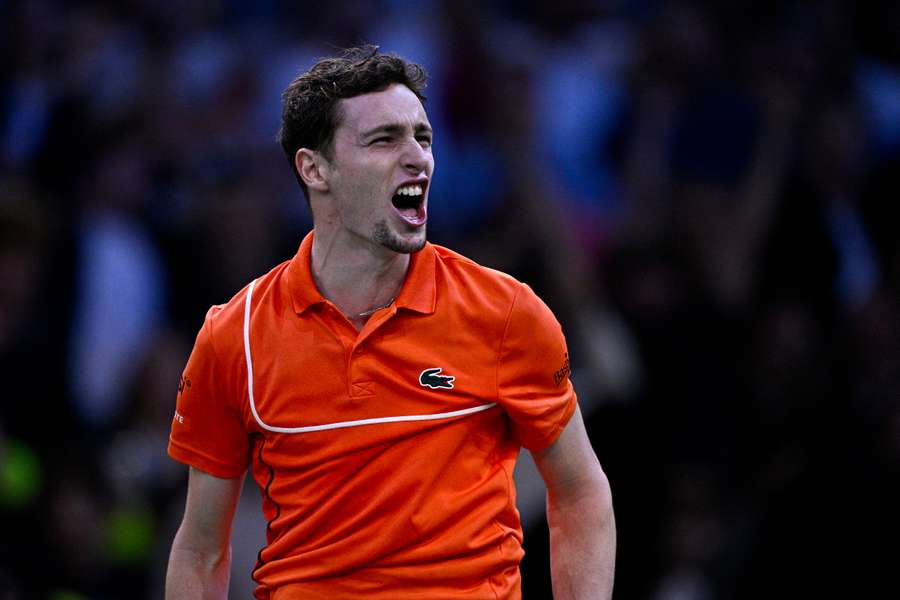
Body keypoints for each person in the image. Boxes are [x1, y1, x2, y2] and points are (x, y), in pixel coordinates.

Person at [165, 46, 615, 600]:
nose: (418, 159)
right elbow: (200, 548)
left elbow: (580, 493)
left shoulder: (506, 313)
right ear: (314, 169)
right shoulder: (235, 335)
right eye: (384, 140)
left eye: (423, 138)